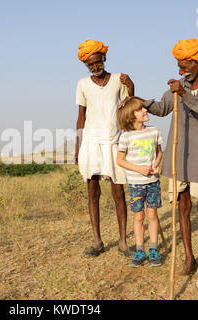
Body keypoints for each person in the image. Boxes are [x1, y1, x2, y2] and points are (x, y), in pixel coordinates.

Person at [121, 38, 198, 277]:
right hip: (179, 155)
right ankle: (189, 257)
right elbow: (161, 108)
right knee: (182, 206)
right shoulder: (177, 86)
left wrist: (184, 95)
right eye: (178, 66)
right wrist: (137, 99)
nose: (179, 71)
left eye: (184, 66)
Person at [75, 39, 134, 257]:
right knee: (93, 192)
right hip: (90, 142)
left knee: (118, 191)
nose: (94, 67)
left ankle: (123, 242)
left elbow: (129, 105)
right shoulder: (82, 84)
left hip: (113, 140)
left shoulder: (119, 79)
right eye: (90, 65)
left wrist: (131, 85)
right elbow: (80, 117)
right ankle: (97, 242)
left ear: (104, 59)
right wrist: (78, 147)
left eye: (97, 62)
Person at [116, 96, 164, 267]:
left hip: (153, 182)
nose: (146, 110)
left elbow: (159, 153)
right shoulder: (125, 137)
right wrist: (139, 169)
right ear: (131, 116)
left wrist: (156, 165)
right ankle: (139, 250)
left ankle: (153, 249)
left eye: (144, 108)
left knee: (152, 215)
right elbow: (120, 160)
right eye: (140, 109)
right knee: (138, 216)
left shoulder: (154, 131)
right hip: (136, 184)